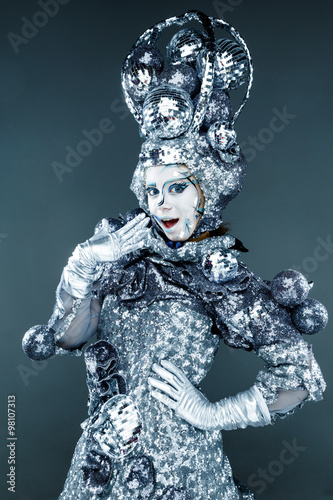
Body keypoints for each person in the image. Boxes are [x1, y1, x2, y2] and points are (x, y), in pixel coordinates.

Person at [22, 11, 327, 500]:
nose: (161, 203)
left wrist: (210, 414)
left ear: (206, 191)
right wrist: (83, 262)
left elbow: (297, 375)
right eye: (152, 190)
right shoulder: (121, 255)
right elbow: (72, 337)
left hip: (184, 472)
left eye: (177, 187)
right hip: (105, 462)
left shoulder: (221, 278)